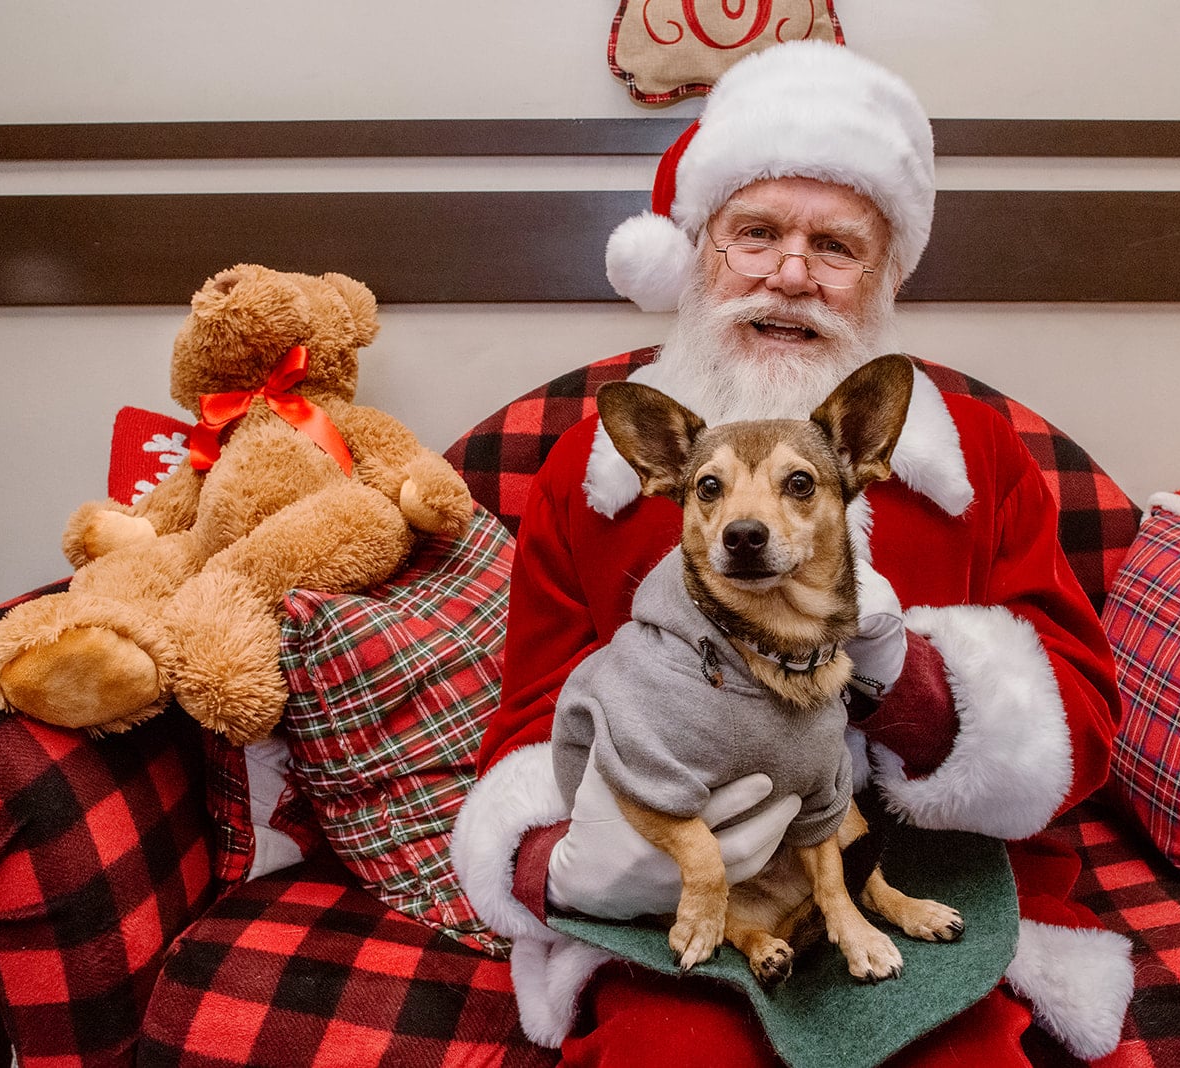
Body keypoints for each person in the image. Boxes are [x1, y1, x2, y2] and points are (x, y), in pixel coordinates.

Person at [452, 40, 1134, 1066]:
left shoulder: (978, 457)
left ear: (883, 278)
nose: (790, 276)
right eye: (755, 234)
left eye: (836, 247)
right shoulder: (590, 477)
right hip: (684, 881)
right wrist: (567, 862)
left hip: (934, 876)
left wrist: (911, 681)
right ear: (698, 253)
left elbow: (1080, 724)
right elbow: (529, 722)